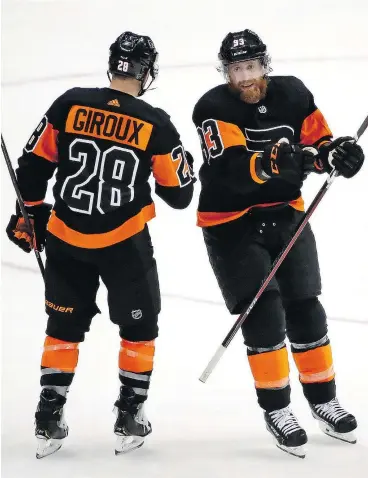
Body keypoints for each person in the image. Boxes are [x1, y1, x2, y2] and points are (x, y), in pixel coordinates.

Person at [6, 31, 195, 458]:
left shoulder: (69, 103)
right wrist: (185, 167)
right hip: (124, 243)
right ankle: (131, 410)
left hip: (66, 240)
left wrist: (30, 213)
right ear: (147, 72)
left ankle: (48, 412)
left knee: (63, 327)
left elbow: (32, 166)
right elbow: (180, 195)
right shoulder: (154, 122)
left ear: (113, 65)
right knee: (140, 326)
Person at [192, 29, 364, 458]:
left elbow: (318, 141)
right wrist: (281, 160)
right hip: (231, 222)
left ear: (264, 65)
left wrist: (337, 154)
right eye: (235, 70)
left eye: (250, 67)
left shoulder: (293, 93)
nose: (244, 77)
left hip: (285, 213)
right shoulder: (212, 108)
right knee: (265, 312)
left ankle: (323, 399)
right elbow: (233, 169)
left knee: (306, 304)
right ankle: (278, 410)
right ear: (226, 73)